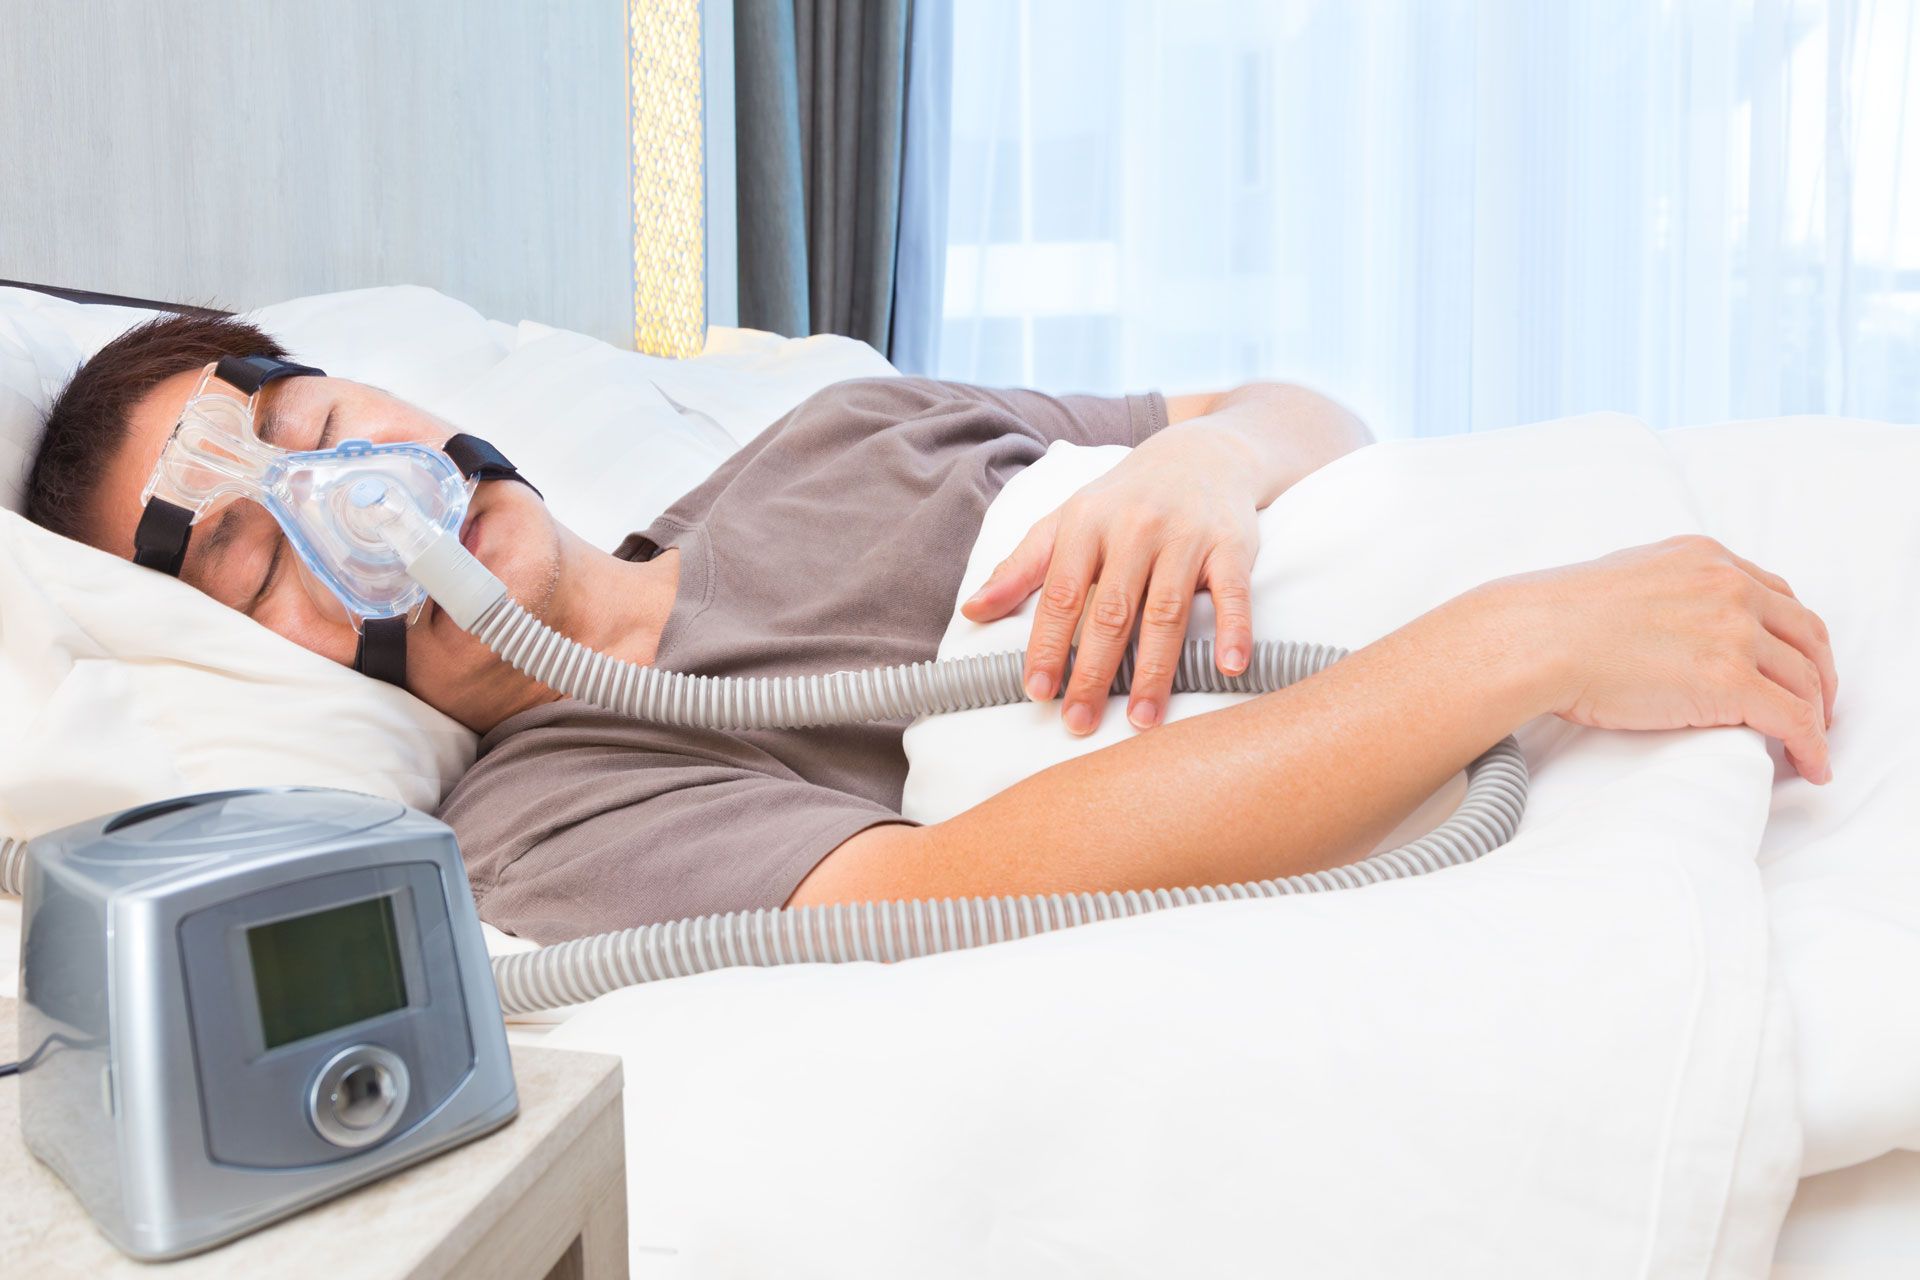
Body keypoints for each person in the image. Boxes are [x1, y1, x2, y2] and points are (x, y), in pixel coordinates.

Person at [24, 313, 1839, 943]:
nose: (360, 506)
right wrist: (1509, 649)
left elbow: (1310, 413)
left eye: (327, 435)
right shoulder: (544, 828)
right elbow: (948, 885)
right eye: (260, 566)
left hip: (1686, 523)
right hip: (1559, 693)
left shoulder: (827, 434)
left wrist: (1204, 461)